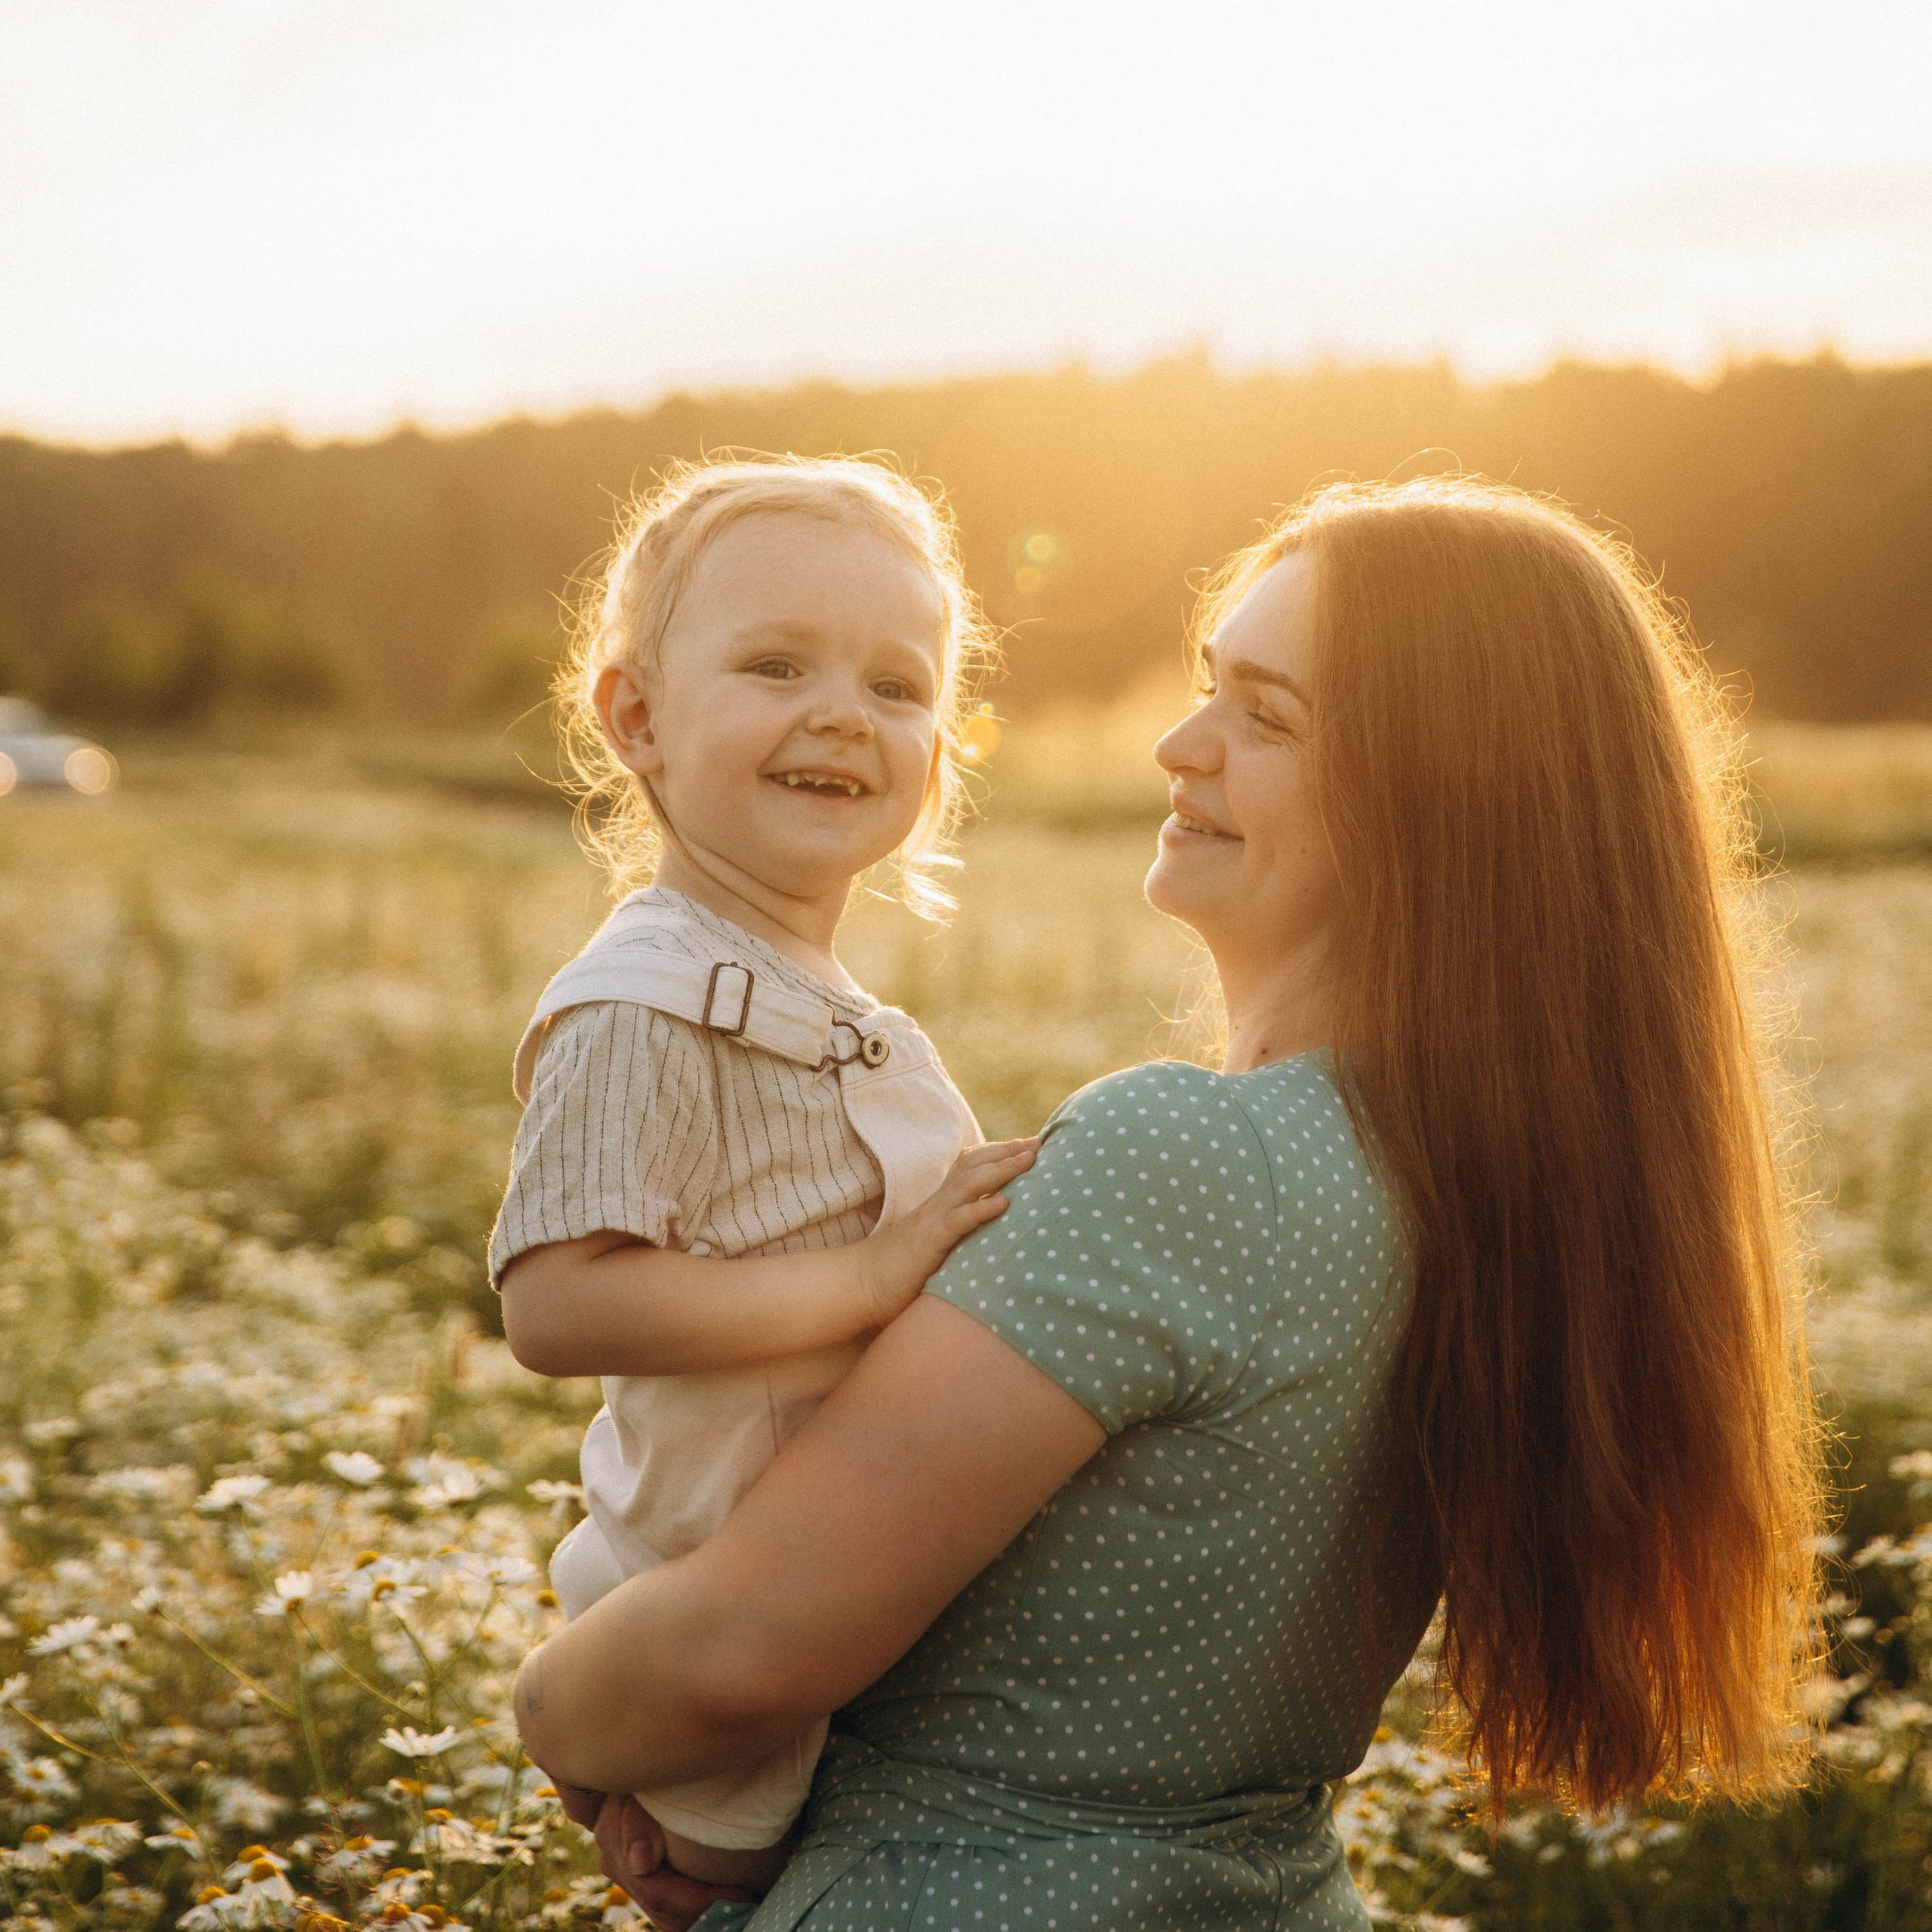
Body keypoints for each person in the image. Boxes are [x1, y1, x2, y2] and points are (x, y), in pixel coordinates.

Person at [513, 475, 1823, 1931]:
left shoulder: (1192, 1160)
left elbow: (727, 1662)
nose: (1176, 743)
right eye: (1212, 688)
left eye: (1264, 715)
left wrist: (554, 1713)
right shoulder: (1476, 1173)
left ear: (1442, 793)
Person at [491, 454, 1038, 1896]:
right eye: (777, 663)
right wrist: (866, 1278)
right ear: (637, 718)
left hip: (823, 1575)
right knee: (739, 1884)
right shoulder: (641, 1002)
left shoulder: (818, 995)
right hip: (727, 1609)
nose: (843, 715)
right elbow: (556, 1308)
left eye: (898, 686)